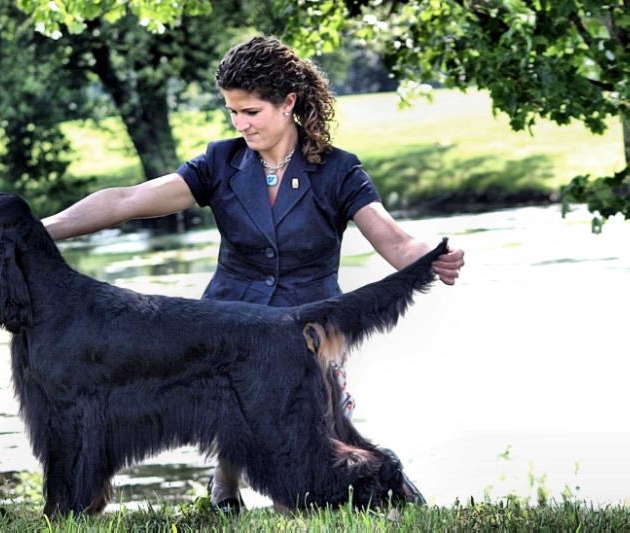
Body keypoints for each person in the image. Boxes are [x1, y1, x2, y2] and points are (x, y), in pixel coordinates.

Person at [42, 35, 465, 511]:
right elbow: (127, 201)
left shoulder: (339, 171)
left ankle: (341, 492)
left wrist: (433, 256)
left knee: (310, 434)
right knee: (230, 406)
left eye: (251, 112)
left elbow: (394, 240)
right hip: (226, 318)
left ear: (288, 103)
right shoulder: (220, 162)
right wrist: (42, 230)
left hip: (309, 327)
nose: (241, 124)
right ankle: (225, 486)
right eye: (232, 112)